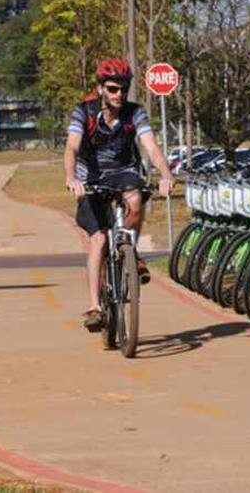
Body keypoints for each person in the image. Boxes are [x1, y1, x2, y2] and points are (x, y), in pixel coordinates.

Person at [64, 58, 174, 332]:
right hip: (90, 177)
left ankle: (129, 249)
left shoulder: (135, 113)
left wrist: (166, 174)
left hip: (124, 171)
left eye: (123, 89)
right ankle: (94, 307)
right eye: (112, 89)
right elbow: (71, 148)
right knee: (99, 239)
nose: (119, 95)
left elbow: (150, 146)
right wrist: (71, 177)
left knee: (136, 199)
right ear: (100, 88)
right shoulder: (83, 112)